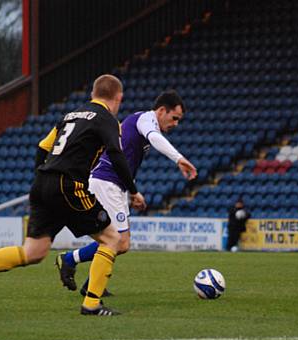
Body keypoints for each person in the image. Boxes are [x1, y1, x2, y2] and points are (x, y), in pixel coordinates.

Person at [0, 74, 146, 316]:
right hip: (68, 184)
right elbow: (116, 153)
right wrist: (133, 191)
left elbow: (43, 146)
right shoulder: (107, 119)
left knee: (33, 252)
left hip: (43, 183)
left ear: (93, 94)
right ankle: (92, 303)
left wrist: (44, 177)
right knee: (113, 239)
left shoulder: (70, 115)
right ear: (119, 97)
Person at [53, 90, 197, 296]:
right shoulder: (146, 119)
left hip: (114, 184)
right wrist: (178, 158)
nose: (175, 124)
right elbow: (154, 138)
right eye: (174, 118)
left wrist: (132, 192)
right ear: (162, 110)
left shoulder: (140, 123)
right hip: (106, 182)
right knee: (120, 241)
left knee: (115, 241)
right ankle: (71, 262)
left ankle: (89, 281)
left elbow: (127, 161)